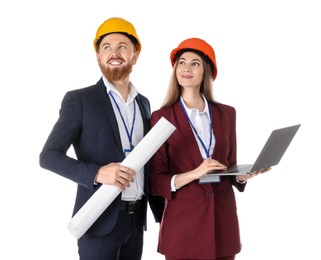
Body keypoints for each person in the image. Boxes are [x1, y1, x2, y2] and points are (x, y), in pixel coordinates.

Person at [39, 17, 163, 260]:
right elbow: (48, 157)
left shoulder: (144, 103)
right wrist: (97, 173)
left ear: (135, 55)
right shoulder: (80, 100)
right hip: (98, 222)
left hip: (136, 222)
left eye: (122, 47)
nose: (114, 53)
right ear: (98, 56)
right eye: (106, 47)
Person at [149, 38, 271, 260]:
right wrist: (196, 173)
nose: (186, 68)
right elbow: (156, 181)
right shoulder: (161, 117)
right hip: (183, 229)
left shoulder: (227, 113)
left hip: (222, 225)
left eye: (195, 63)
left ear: (207, 71)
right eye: (182, 62)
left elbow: (229, 164)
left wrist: (241, 176)